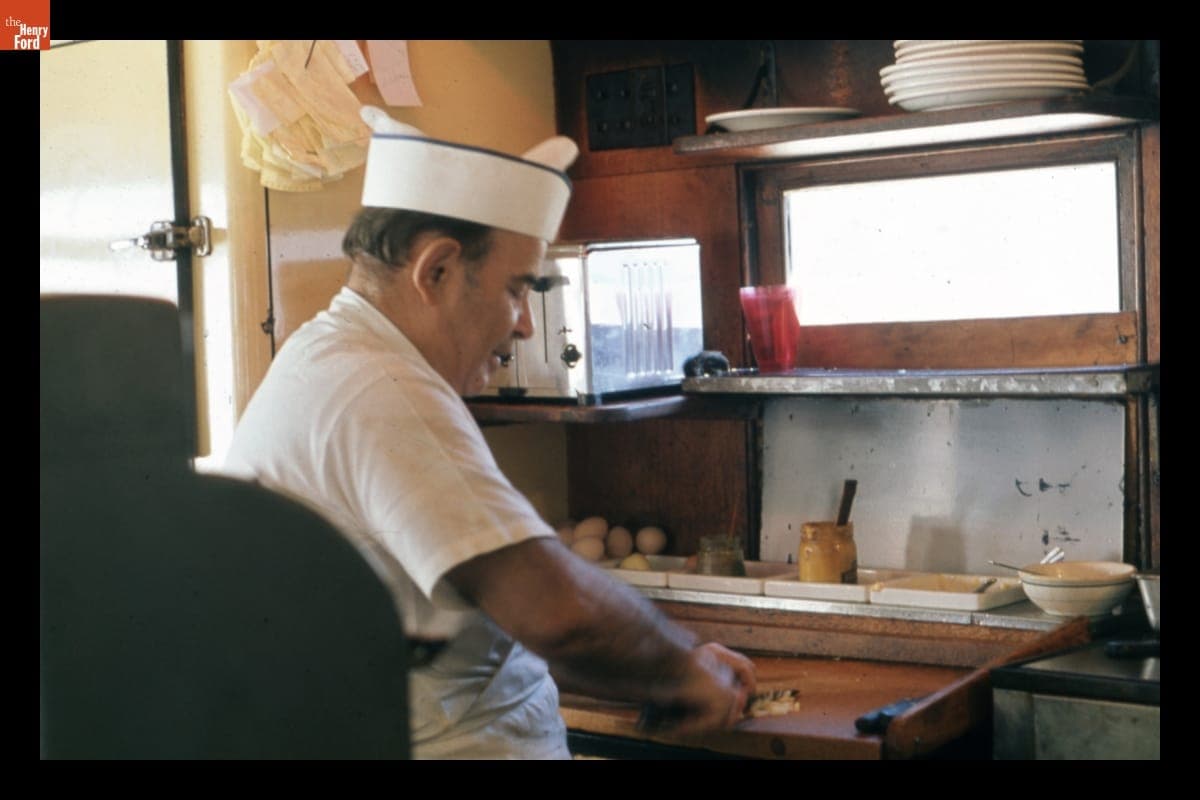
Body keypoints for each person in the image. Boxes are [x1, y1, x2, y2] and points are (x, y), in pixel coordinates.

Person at [225, 106, 756, 759]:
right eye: (518, 289)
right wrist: (683, 670)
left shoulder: (332, 359)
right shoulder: (384, 388)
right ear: (438, 271)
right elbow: (555, 613)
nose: (527, 325)